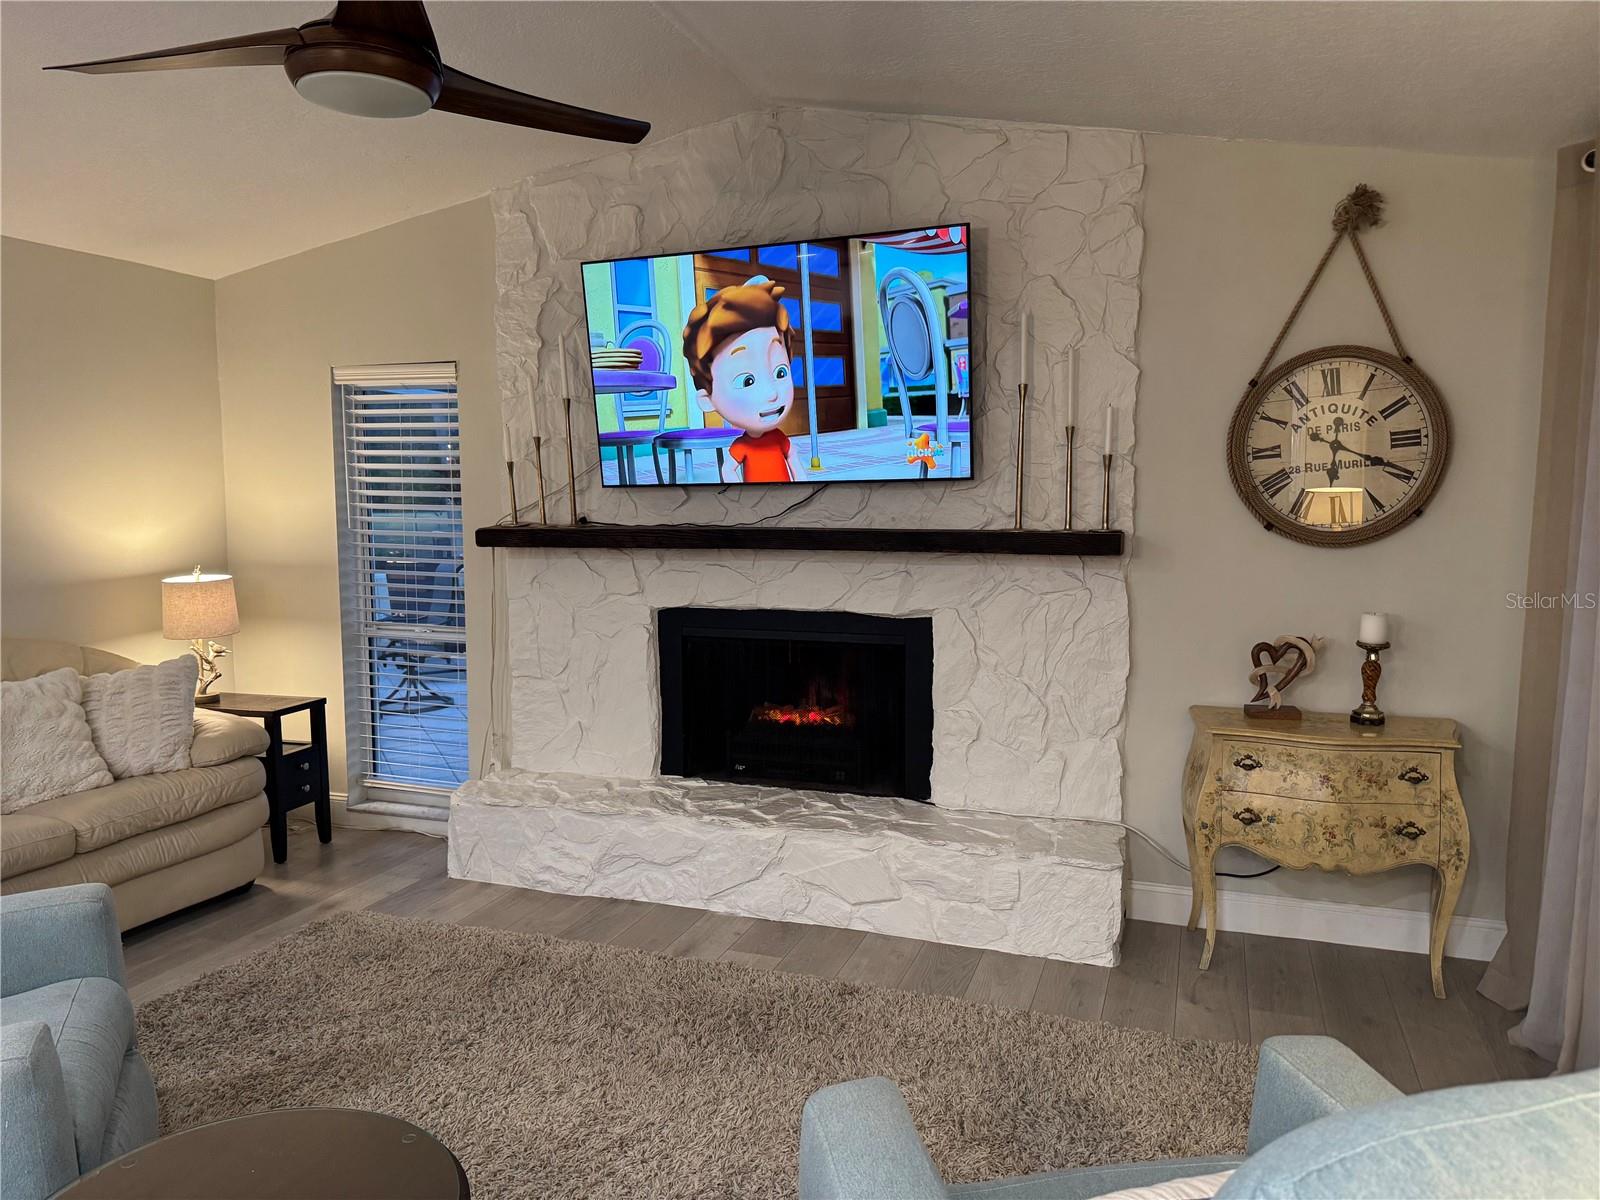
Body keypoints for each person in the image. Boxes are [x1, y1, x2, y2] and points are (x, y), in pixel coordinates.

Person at [681, 276, 803, 483]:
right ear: (706, 400)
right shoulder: (742, 446)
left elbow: (794, 461)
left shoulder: (780, 439)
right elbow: (728, 470)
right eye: (747, 381)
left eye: (780, 373)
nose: (771, 393)